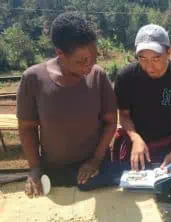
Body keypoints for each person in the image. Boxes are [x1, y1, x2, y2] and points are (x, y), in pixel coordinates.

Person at [17, 12, 121, 198]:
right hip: (54, 171)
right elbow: (27, 128)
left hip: (96, 170)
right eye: (81, 61)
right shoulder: (33, 79)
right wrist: (34, 169)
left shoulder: (98, 76)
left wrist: (95, 160)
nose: (89, 66)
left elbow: (111, 122)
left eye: (93, 57)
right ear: (60, 53)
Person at [114, 24, 171, 171]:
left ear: (169, 52)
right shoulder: (126, 77)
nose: (149, 67)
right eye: (142, 58)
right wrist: (136, 139)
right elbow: (124, 116)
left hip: (166, 145)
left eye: (156, 59)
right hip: (134, 143)